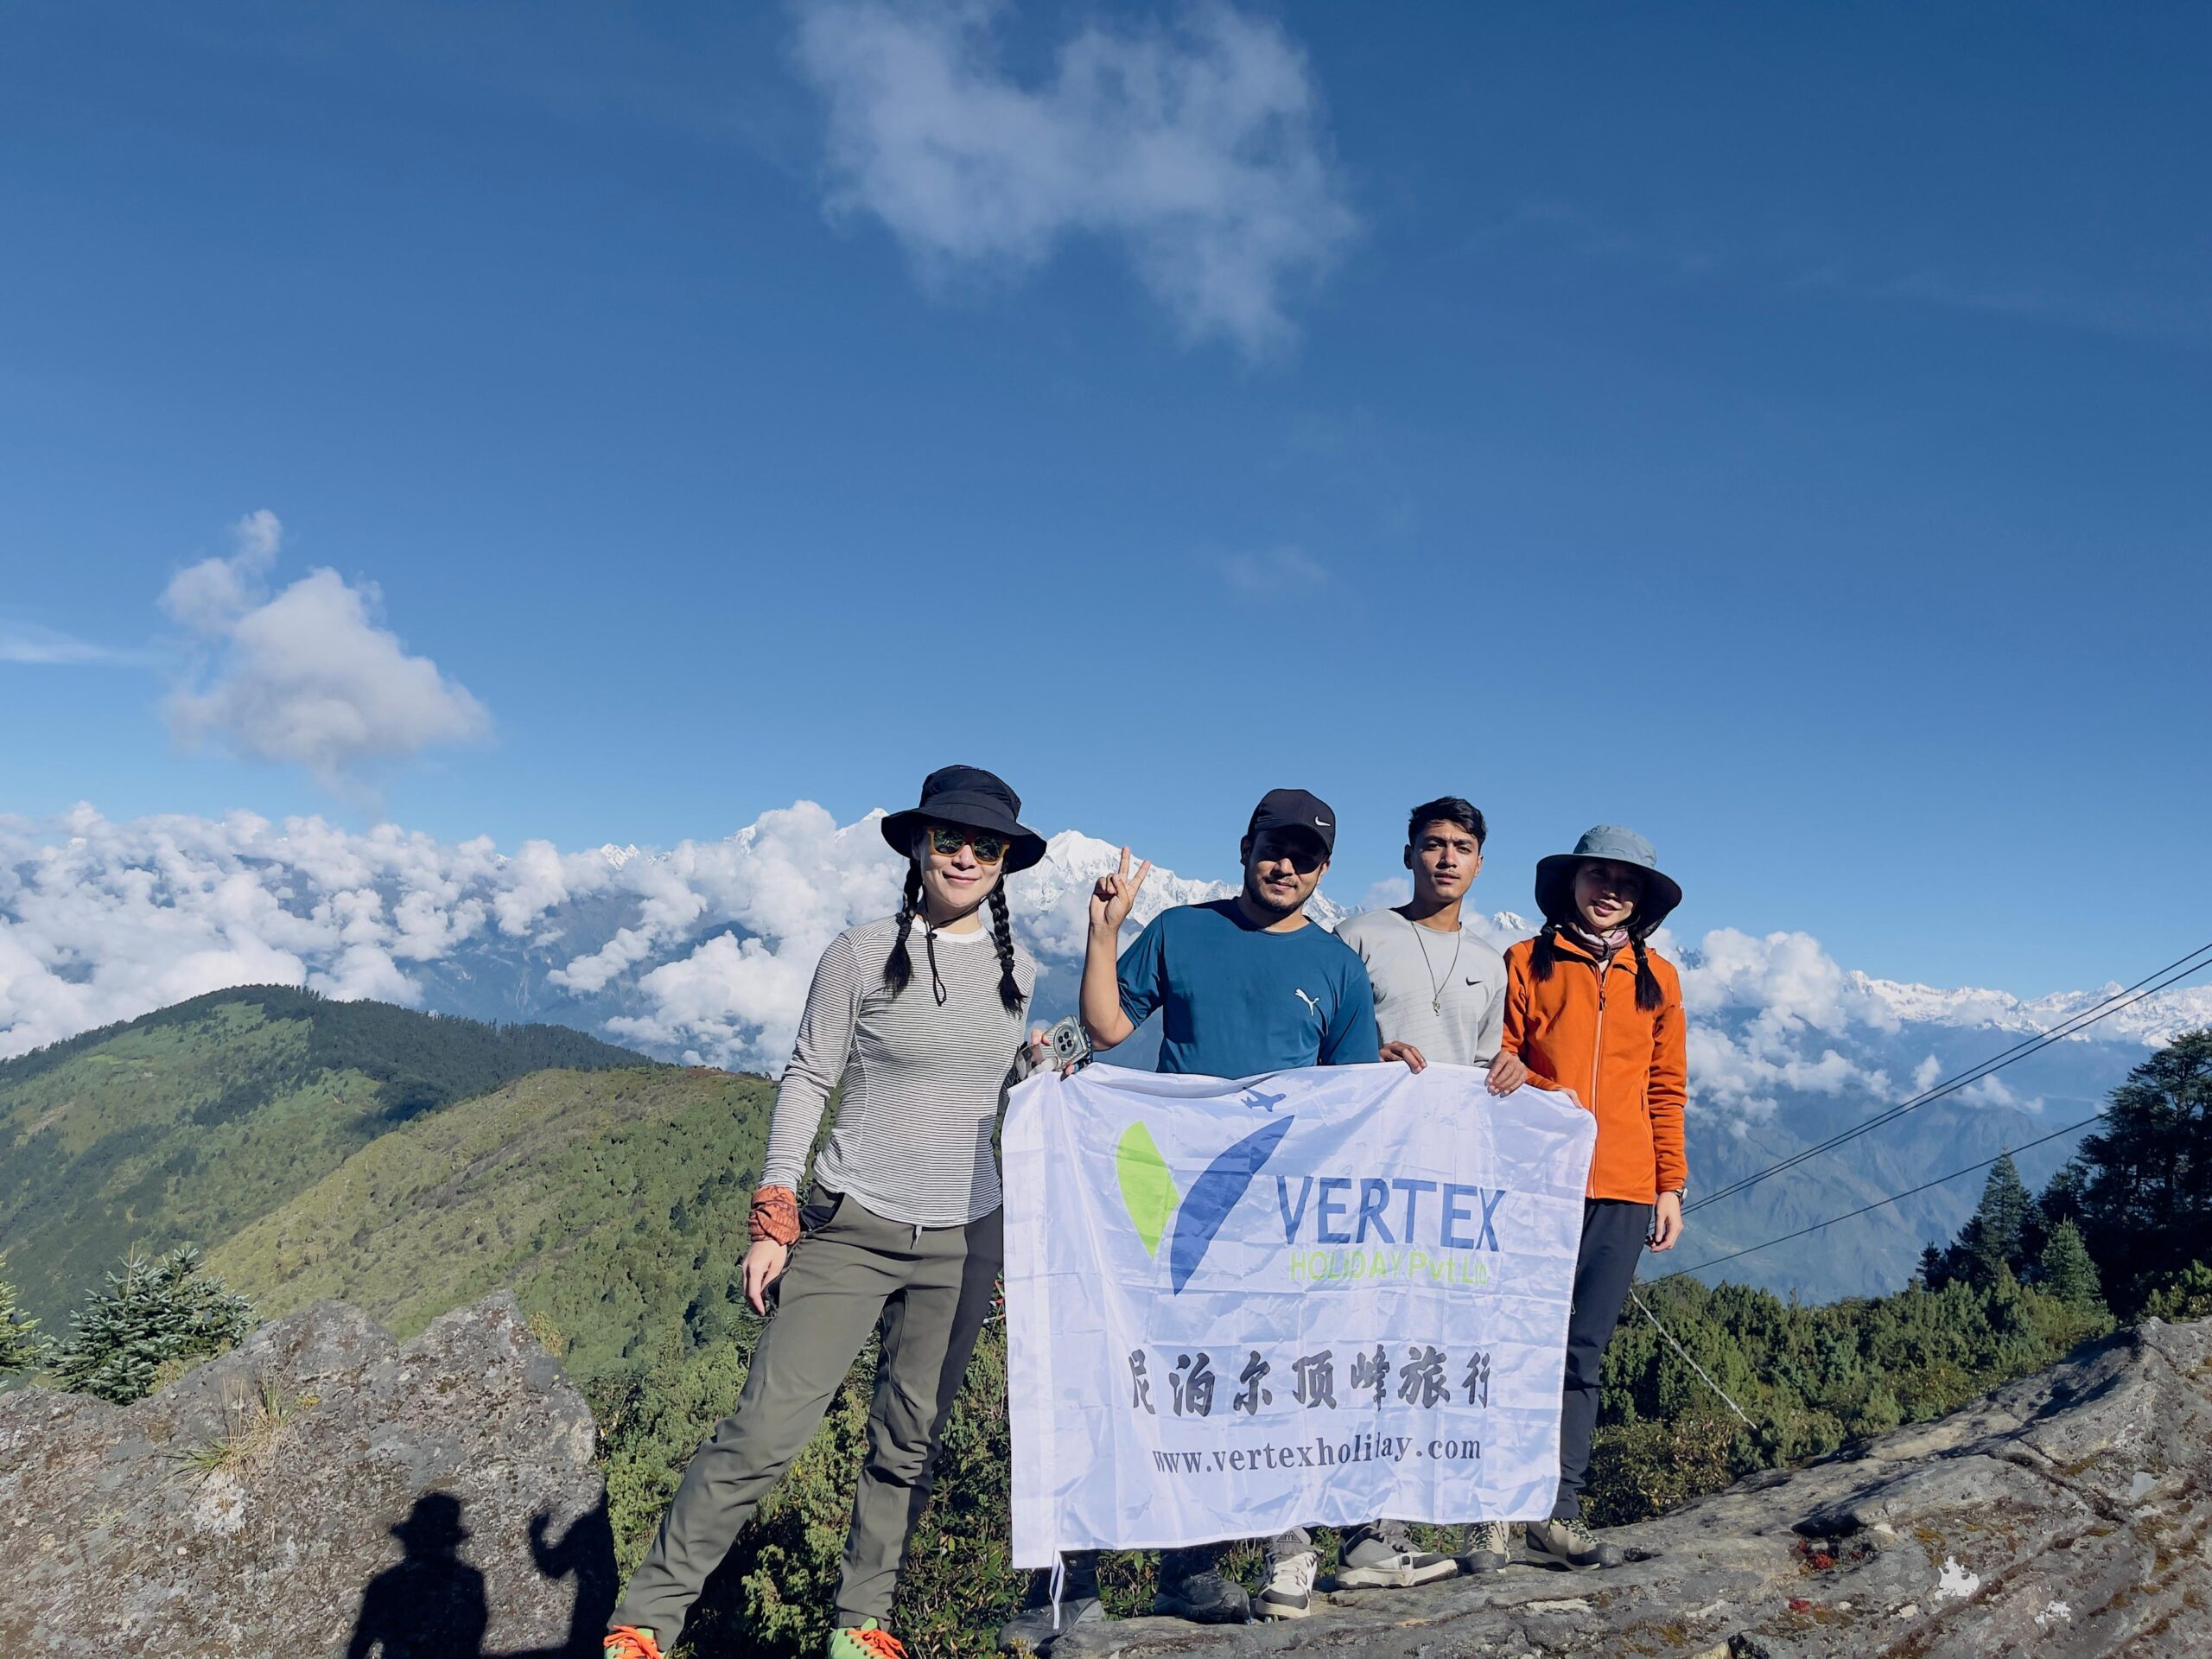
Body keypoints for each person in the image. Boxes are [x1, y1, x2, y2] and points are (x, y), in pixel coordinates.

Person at [605, 766, 1045, 1659]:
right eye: (948, 839)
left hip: (966, 1234)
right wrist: (774, 1214)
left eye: (984, 845)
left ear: (1004, 863)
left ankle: (860, 1624)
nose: (964, 856)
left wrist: (1034, 1075)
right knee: (765, 1430)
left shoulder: (1019, 971)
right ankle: (645, 1618)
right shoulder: (860, 950)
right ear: (918, 846)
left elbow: (991, 1095)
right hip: (854, 1222)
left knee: (909, 1441)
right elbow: (810, 1074)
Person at [996, 789, 1379, 1650]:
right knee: (1116, 1371)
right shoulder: (1180, 930)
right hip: (1160, 1203)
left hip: (1267, 1225)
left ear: (1324, 870)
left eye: (1305, 857)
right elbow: (1106, 1026)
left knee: (1222, 1390)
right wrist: (1105, 931)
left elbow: (1351, 1105)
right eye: (1272, 849)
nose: (1285, 867)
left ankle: (1192, 1567)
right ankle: (1064, 1580)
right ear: (1244, 847)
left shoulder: (1337, 969)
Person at [1332, 796, 1529, 1584]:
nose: (1448, 858)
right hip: (1361, 1172)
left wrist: (1512, 1073)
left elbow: (1486, 1065)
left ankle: (1388, 1528)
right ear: (1410, 852)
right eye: (1434, 844)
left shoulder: (1493, 961)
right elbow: (1328, 1047)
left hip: (1444, 1184)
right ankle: (1343, 1525)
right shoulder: (1360, 935)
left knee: (1417, 1347)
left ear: (1481, 862)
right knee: (1353, 1341)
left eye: (1463, 847)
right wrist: (1368, 1055)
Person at [1497, 825, 1688, 1570]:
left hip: (1625, 1187)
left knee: (1584, 1353)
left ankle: (1558, 1509)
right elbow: (1503, 1059)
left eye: (1627, 883)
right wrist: (1551, 1093)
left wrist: (1668, 1183)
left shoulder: (1660, 979)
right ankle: (1498, 1512)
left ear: (1641, 901)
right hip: (1537, 1183)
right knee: (1519, 1348)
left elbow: (1665, 1087)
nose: (1611, 890)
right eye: (1598, 876)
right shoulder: (1528, 961)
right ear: (1572, 883)